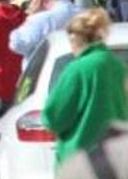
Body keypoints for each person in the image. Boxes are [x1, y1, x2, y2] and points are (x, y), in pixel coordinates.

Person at [43, 9, 128, 165]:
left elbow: (54, 116)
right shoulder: (118, 66)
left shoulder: (77, 69)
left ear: (76, 38)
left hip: (81, 159)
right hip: (116, 158)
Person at [9, 0, 80, 65]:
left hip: (45, 74)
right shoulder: (85, 14)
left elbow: (17, 44)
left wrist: (31, 15)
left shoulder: (40, 20)